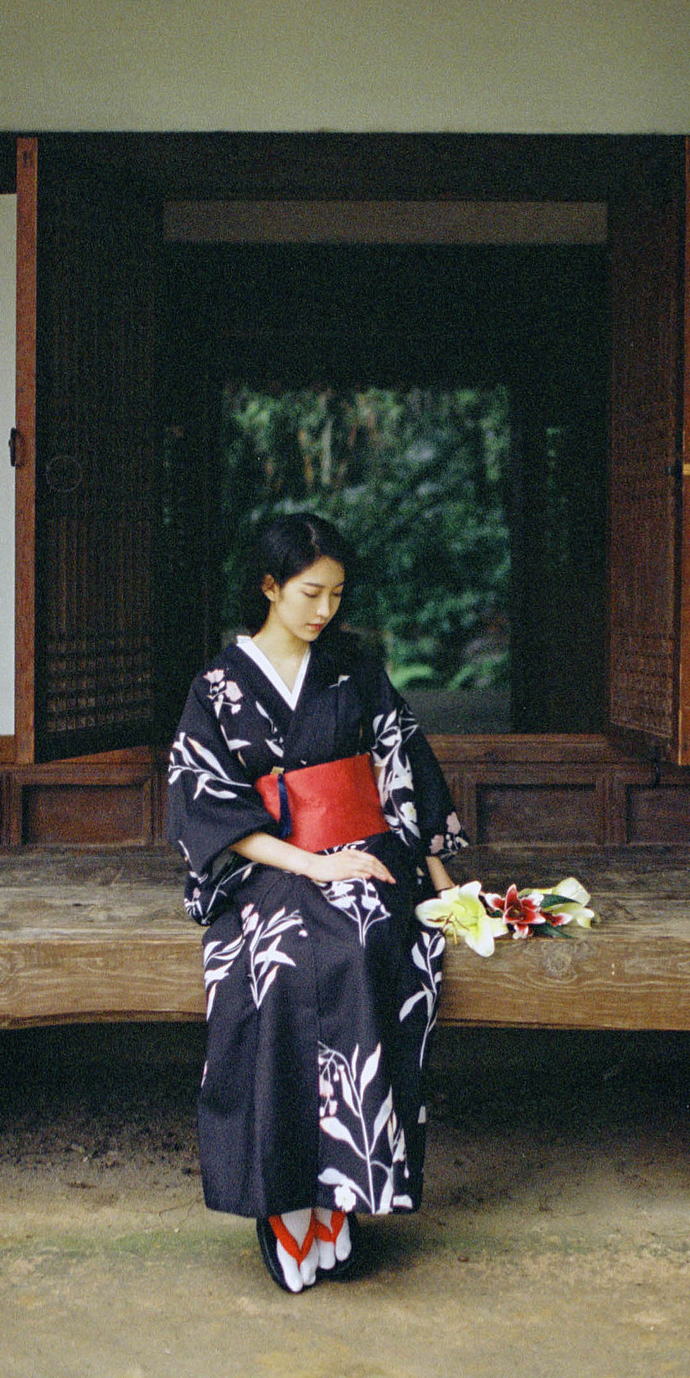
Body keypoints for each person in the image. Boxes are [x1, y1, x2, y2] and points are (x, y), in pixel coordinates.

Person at [167, 513, 467, 1292]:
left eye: (336, 594)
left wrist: (449, 892)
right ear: (269, 587)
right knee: (279, 965)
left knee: (372, 944)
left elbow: (407, 773)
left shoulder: (355, 671)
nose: (324, 610)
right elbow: (207, 804)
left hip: (365, 852)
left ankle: (347, 1193)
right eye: (309, 592)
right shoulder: (218, 687)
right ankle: (284, 1200)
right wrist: (306, 864)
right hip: (270, 862)